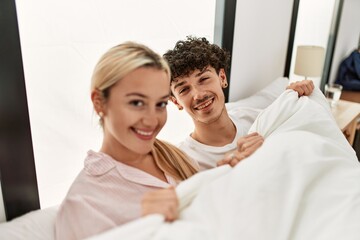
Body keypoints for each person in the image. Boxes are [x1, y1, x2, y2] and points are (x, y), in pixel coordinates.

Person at [55, 42, 199, 240]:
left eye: (160, 104)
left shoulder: (177, 158)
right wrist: (140, 225)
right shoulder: (82, 204)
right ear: (99, 102)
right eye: (137, 103)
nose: (151, 120)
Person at [163, 36, 314, 170]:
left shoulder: (257, 119)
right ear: (176, 102)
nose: (198, 95)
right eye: (184, 89)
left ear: (222, 77)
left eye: (203, 79)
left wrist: (295, 97)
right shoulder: (182, 161)